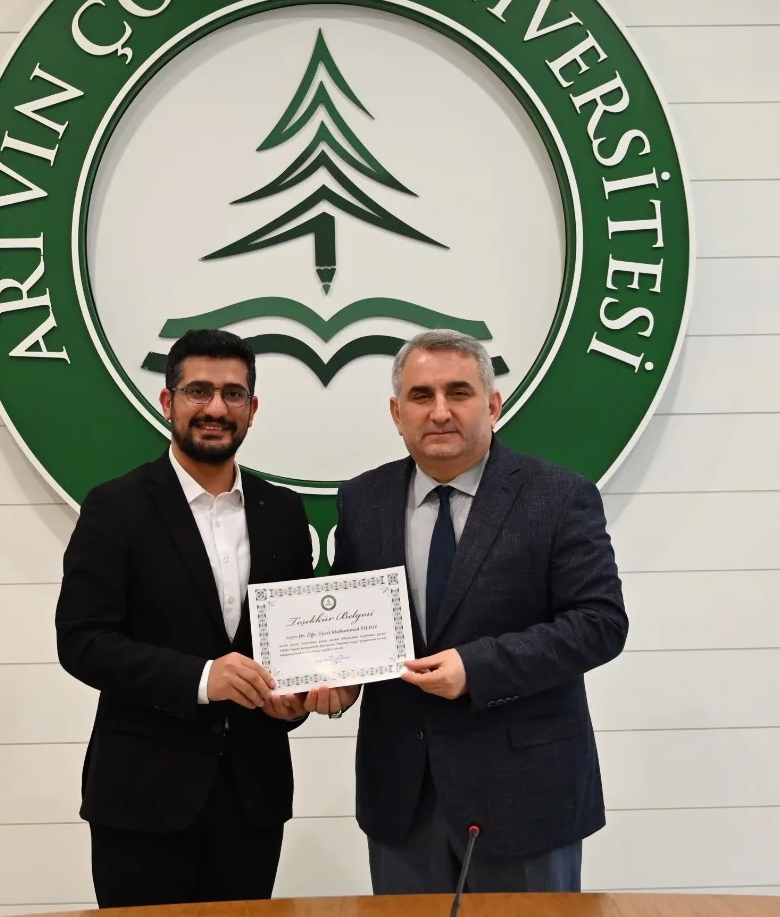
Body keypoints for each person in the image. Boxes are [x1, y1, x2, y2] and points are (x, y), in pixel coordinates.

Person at [305, 328, 629, 893]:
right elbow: (356, 622)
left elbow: (600, 623)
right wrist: (338, 677)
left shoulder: (558, 496)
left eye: (458, 392)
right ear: (396, 413)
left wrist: (477, 668)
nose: (440, 412)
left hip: (524, 797)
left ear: (493, 404)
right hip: (402, 797)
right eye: (421, 396)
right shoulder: (361, 500)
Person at [55, 329, 316, 908]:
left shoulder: (282, 511)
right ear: (168, 401)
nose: (216, 408)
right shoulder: (115, 507)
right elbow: (82, 641)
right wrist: (202, 678)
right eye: (199, 391)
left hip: (253, 800)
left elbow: (290, 642)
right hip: (142, 799)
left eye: (233, 393)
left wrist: (295, 699)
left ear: (252, 408)